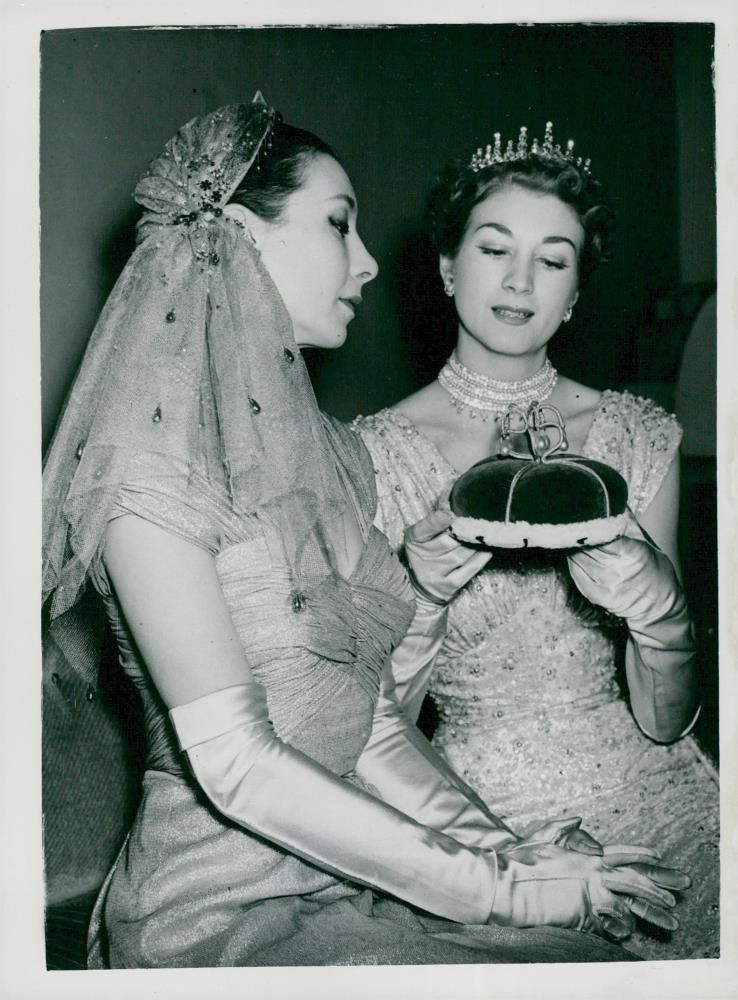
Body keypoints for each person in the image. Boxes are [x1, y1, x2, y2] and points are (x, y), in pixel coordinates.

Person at [42, 99, 684, 969]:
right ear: (238, 234)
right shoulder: (147, 478)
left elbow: (373, 727)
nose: (371, 262)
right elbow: (238, 766)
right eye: (340, 226)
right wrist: (502, 892)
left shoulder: (335, 461)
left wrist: (504, 851)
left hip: (367, 872)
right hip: (226, 907)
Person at [356, 123, 719, 961]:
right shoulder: (370, 454)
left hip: (653, 790)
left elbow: (666, 722)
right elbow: (374, 725)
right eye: (494, 249)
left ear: (576, 292)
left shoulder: (637, 436)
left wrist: (657, 607)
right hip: (466, 815)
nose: (520, 280)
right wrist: (423, 597)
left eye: (554, 259)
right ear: (448, 267)